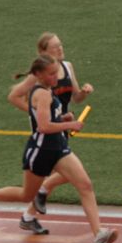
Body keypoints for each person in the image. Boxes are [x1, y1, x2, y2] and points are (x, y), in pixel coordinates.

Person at [0, 55, 117, 243]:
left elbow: (50, 118)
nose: (55, 77)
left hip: (58, 148)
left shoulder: (49, 90)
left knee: (85, 185)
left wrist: (63, 116)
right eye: (51, 74)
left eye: (56, 72)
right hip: (40, 151)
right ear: (39, 75)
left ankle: (99, 233)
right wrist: (71, 124)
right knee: (26, 195)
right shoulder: (42, 94)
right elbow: (43, 127)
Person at [8, 32, 93, 215]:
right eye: (55, 47)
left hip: (62, 127)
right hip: (47, 131)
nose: (60, 49)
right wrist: (36, 113)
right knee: (70, 175)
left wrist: (84, 92)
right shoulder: (39, 76)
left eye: (60, 45)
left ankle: (30, 215)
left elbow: (76, 97)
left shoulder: (68, 67)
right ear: (43, 52)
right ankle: (35, 198)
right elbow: (14, 96)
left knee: (66, 174)